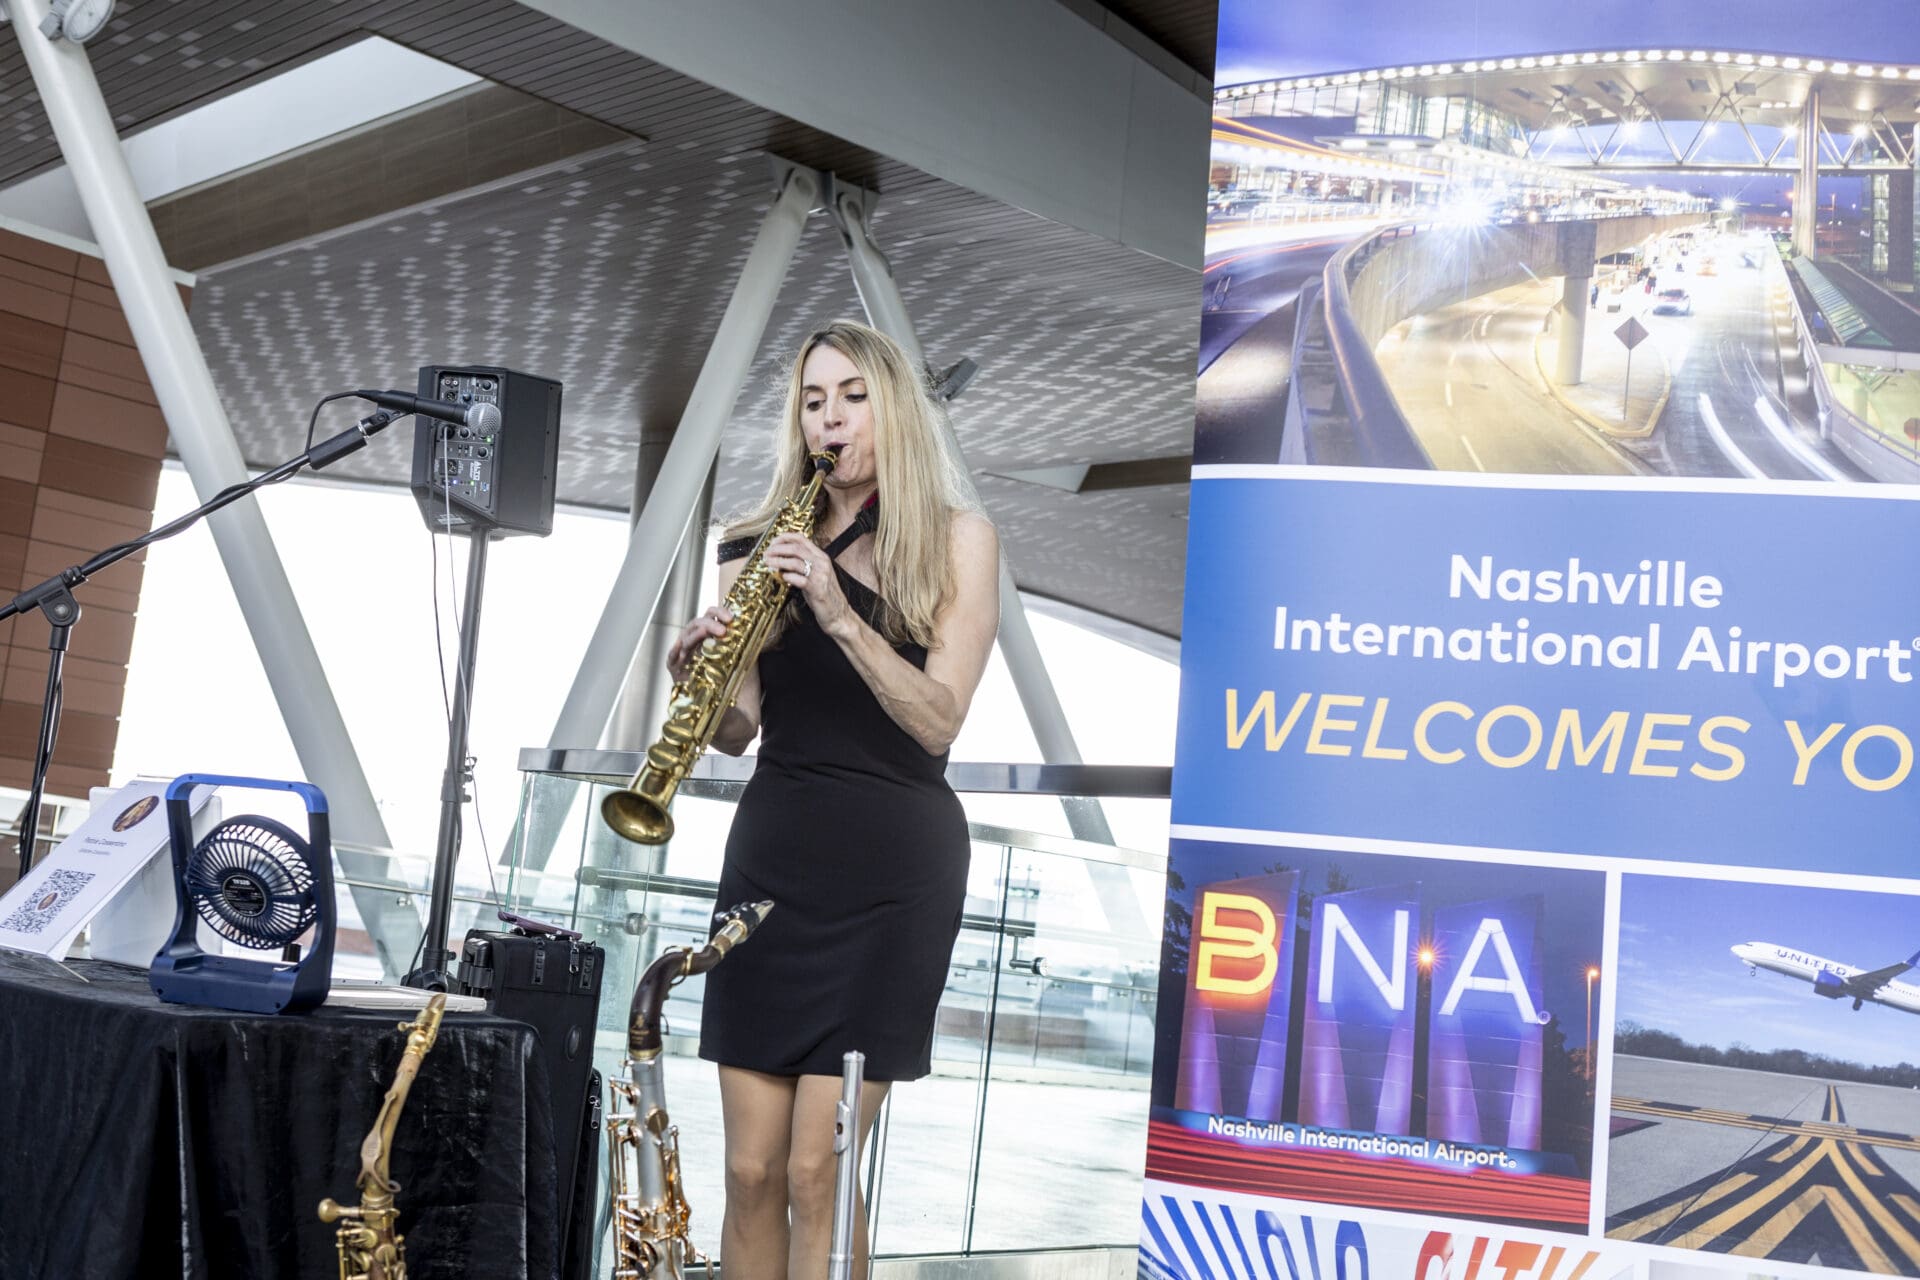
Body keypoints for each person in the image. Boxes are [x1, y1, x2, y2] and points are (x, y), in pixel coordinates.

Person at [666, 319, 1000, 1280]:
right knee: (750, 1169)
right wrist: (697, 677)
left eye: (853, 396)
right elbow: (738, 730)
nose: (831, 418)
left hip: (894, 878)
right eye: (814, 401)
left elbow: (937, 721)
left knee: (819, 1170)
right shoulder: (752, 541)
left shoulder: (957, 539)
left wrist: (838, 613)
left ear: (892, 407)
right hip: (773, 861)